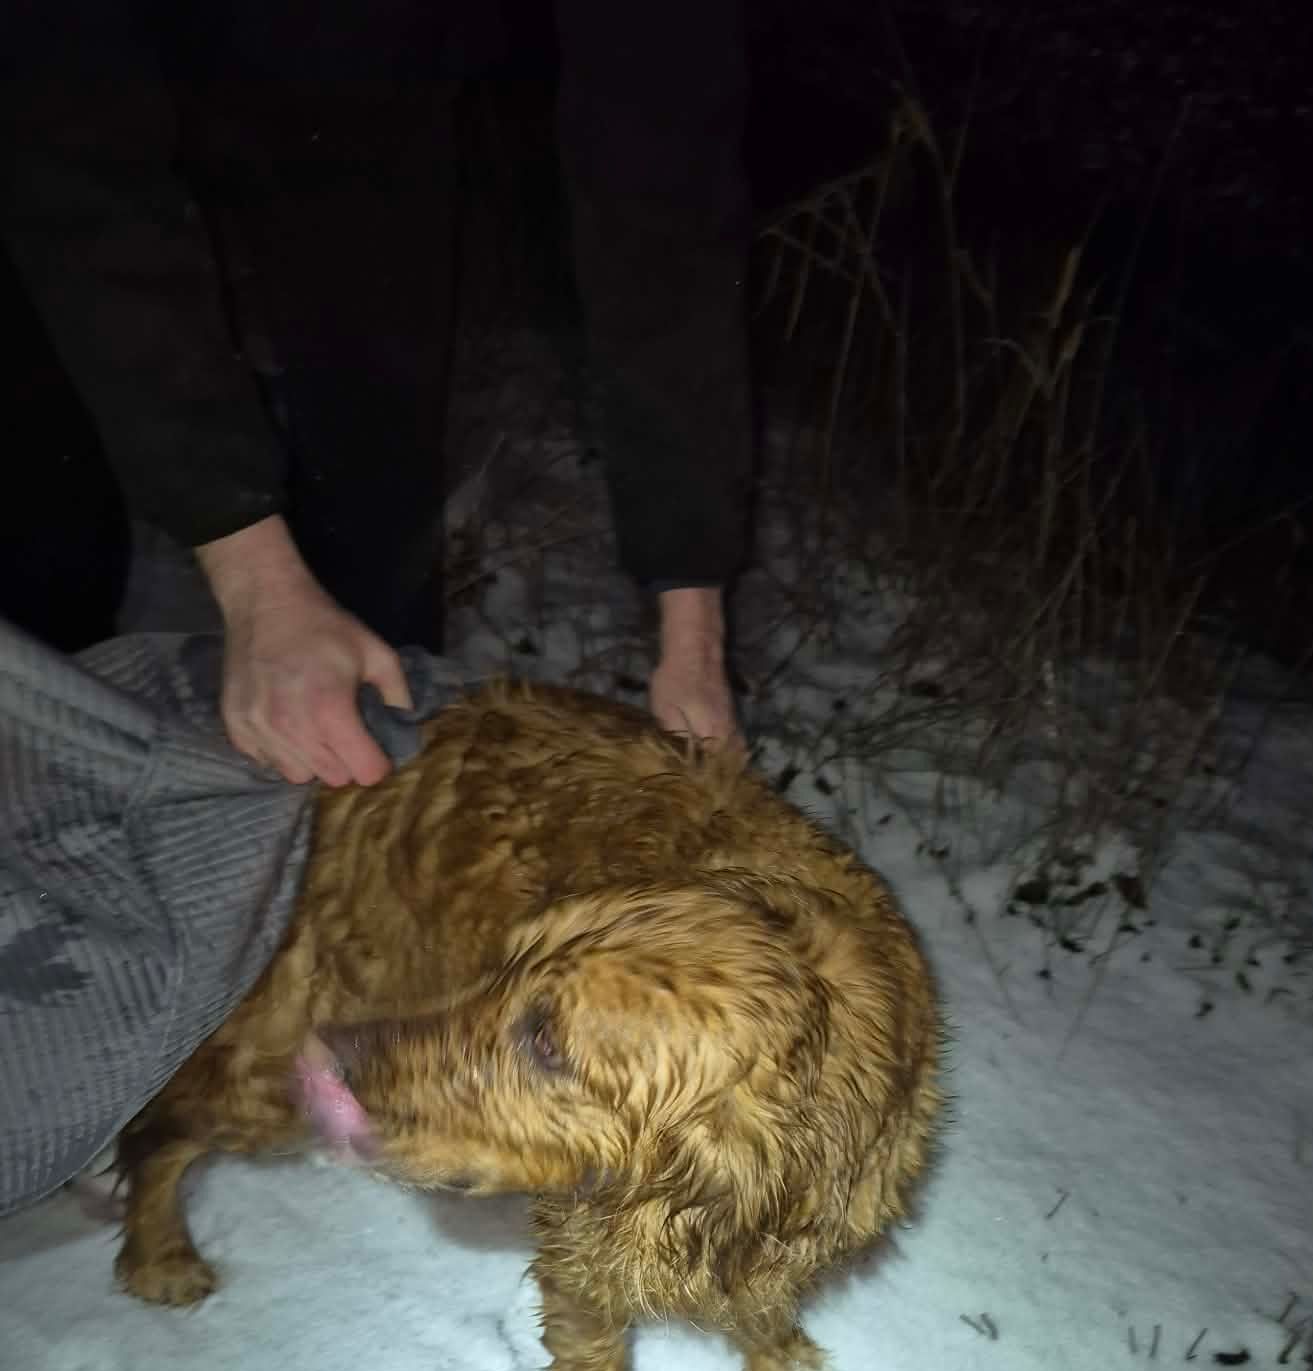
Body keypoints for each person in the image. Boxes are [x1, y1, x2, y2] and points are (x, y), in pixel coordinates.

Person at [0, 0, 751, 784]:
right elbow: (69, 154)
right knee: (48, 523)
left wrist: (692, 623)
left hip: (359, 80)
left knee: (378, 524)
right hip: (56, 93)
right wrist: (252, 570)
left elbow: (664, 187)